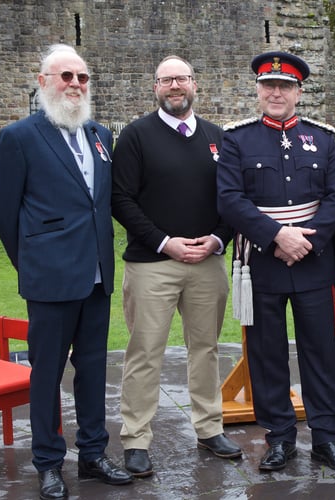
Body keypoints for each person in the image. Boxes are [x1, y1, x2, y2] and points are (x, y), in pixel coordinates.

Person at [0, 44, 132, 500]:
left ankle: (93, 455)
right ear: (44, 81)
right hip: (50, 278)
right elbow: (3, 208)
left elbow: (100, 203)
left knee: (92, 370)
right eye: (65, 75)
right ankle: (48, 462)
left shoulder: (100, 136)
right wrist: (30, 259)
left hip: (96, 276)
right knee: (46, 373)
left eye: (82, 77)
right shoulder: (20, 137)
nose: (74, 84)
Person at [216, 51, 335, 473]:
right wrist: (276, 236)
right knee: (266, 354)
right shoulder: (236, 139)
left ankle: (327, 439)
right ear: (258, 90)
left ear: (298, 91)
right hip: (262, 260)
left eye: (285, 86)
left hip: (312, 262)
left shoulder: (323, 137)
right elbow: (229, 199)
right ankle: (279, 438)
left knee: (321, 352)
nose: (276, 92)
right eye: (269, 85)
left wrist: (306, 243)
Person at [111, 55, 241, 478]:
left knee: (205, 350)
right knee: (145, 351)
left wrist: (219, 238)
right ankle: (136, 438)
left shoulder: (217, 138)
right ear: (155, 87)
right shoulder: (135, 137)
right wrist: (165, 243)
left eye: (181, 78)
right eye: (166, 80)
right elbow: (121, 200)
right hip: (153, 264)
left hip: (207, 264)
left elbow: (233, 198)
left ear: (194, 84)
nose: (175, 86)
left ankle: (209, 427)